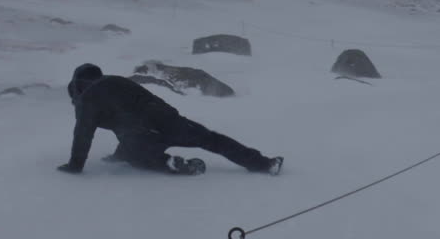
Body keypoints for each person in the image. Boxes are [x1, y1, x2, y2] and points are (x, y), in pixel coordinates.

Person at [57, 63, 283, 176]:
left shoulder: (85, 100)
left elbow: (83, 134)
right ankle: (264, 164)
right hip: (166, 119)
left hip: (141, 133)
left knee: (140, 155)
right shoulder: (116, 81)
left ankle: (168, 163)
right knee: (211, 139)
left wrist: (75, 166)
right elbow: (141, 104)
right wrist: (118, 155)